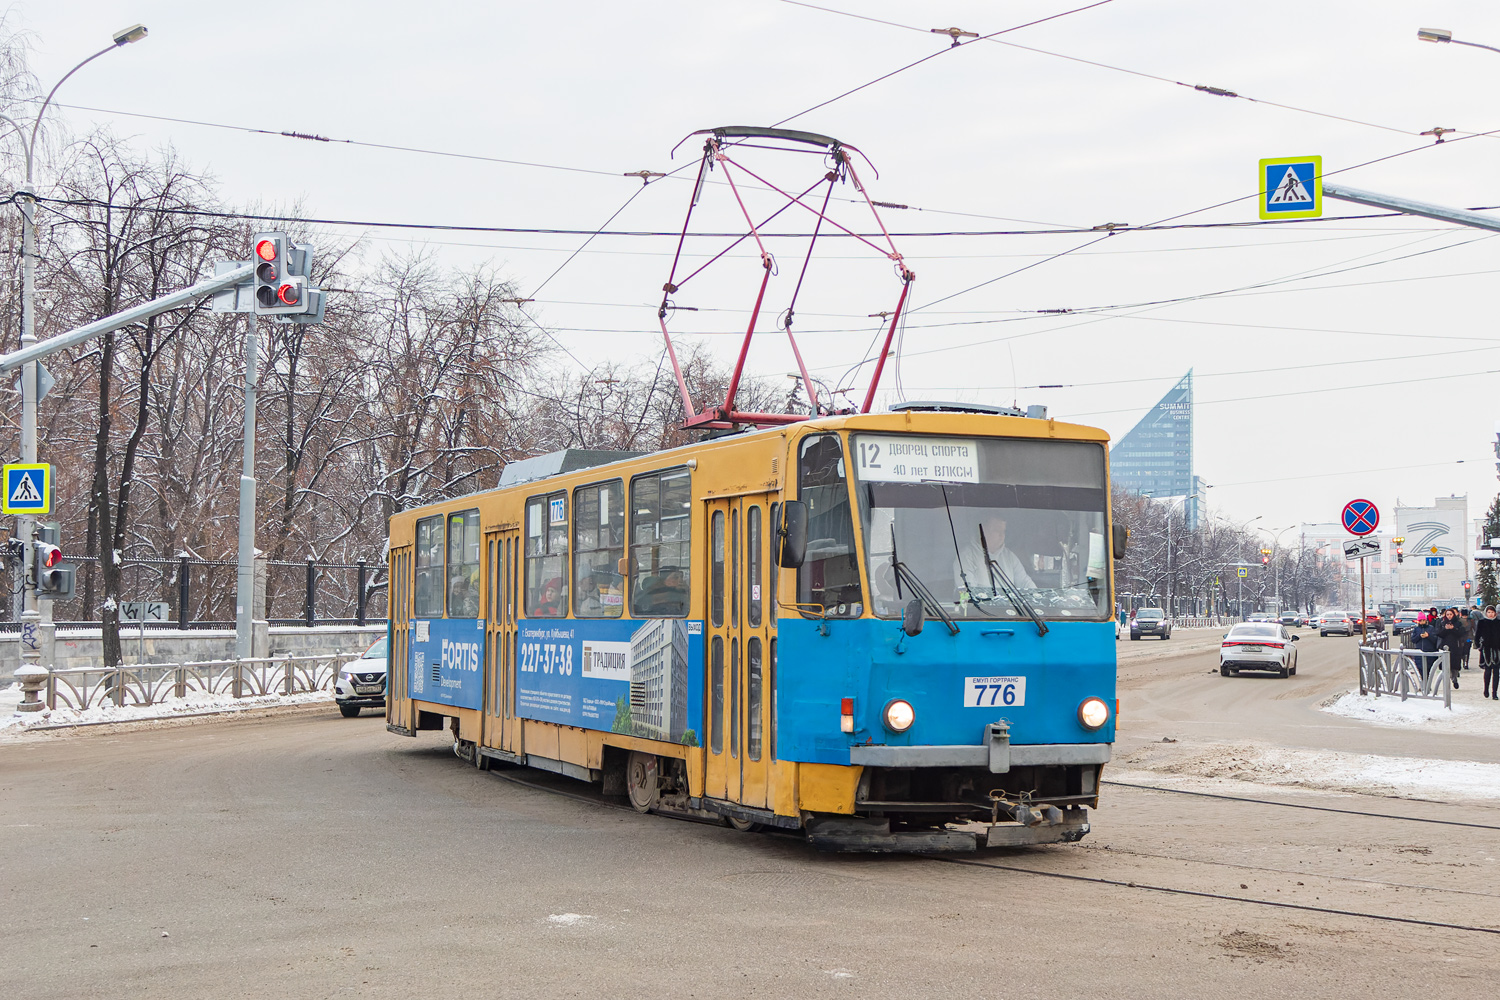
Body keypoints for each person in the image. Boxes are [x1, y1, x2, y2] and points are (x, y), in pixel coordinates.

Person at [955, 513, 1035, 597]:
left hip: (1013, 609)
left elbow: (1025, 583)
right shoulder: (966, 557)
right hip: (982, 610)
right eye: (997, 530)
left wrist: (1036, 598)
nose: (1002, 535)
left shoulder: (1009, 557)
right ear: (983, 531)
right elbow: (968, 594)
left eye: (1003, 531)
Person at [1475, 605, 1500, 700]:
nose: (1491, 614)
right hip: (1486, 650)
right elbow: (1477, 635)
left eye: (1492, 612)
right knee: (1488, 671)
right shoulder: (1482, 622)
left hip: (1497, 649)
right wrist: (1478, 645)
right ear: (1486, 613)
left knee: (1496, 672)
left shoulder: (1498, 622)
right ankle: (1486, 689)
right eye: (1489, 612)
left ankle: (1495, 692)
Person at [1408, 613, 1441, 682]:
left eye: (1423, 620)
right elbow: (1413, 640)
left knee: (1428, 669)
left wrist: (1428, 636)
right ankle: (1424, 683)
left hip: (1429, 651)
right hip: (1419, 652)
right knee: (1420, 668)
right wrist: (1419, 636)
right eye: (1420, 621)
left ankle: (1426, 683)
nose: (1422, 622)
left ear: (1426, 621)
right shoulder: (1416, 629)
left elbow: (1435, 639)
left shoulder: (1431, 628)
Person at [1437, 608, 1464, 688]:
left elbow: (1460, 634)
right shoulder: (1442, 623)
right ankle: (1448, 681)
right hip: (1445, 646)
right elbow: (1439, 634)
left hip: (1455, 646)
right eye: (1447, 614)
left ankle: (1454, 678)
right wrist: (1445, 629)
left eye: (1450, 614)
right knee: (1446, 665)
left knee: (1454, 665)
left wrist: (1453, 629)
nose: (1449, 616)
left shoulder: (1458, 623)